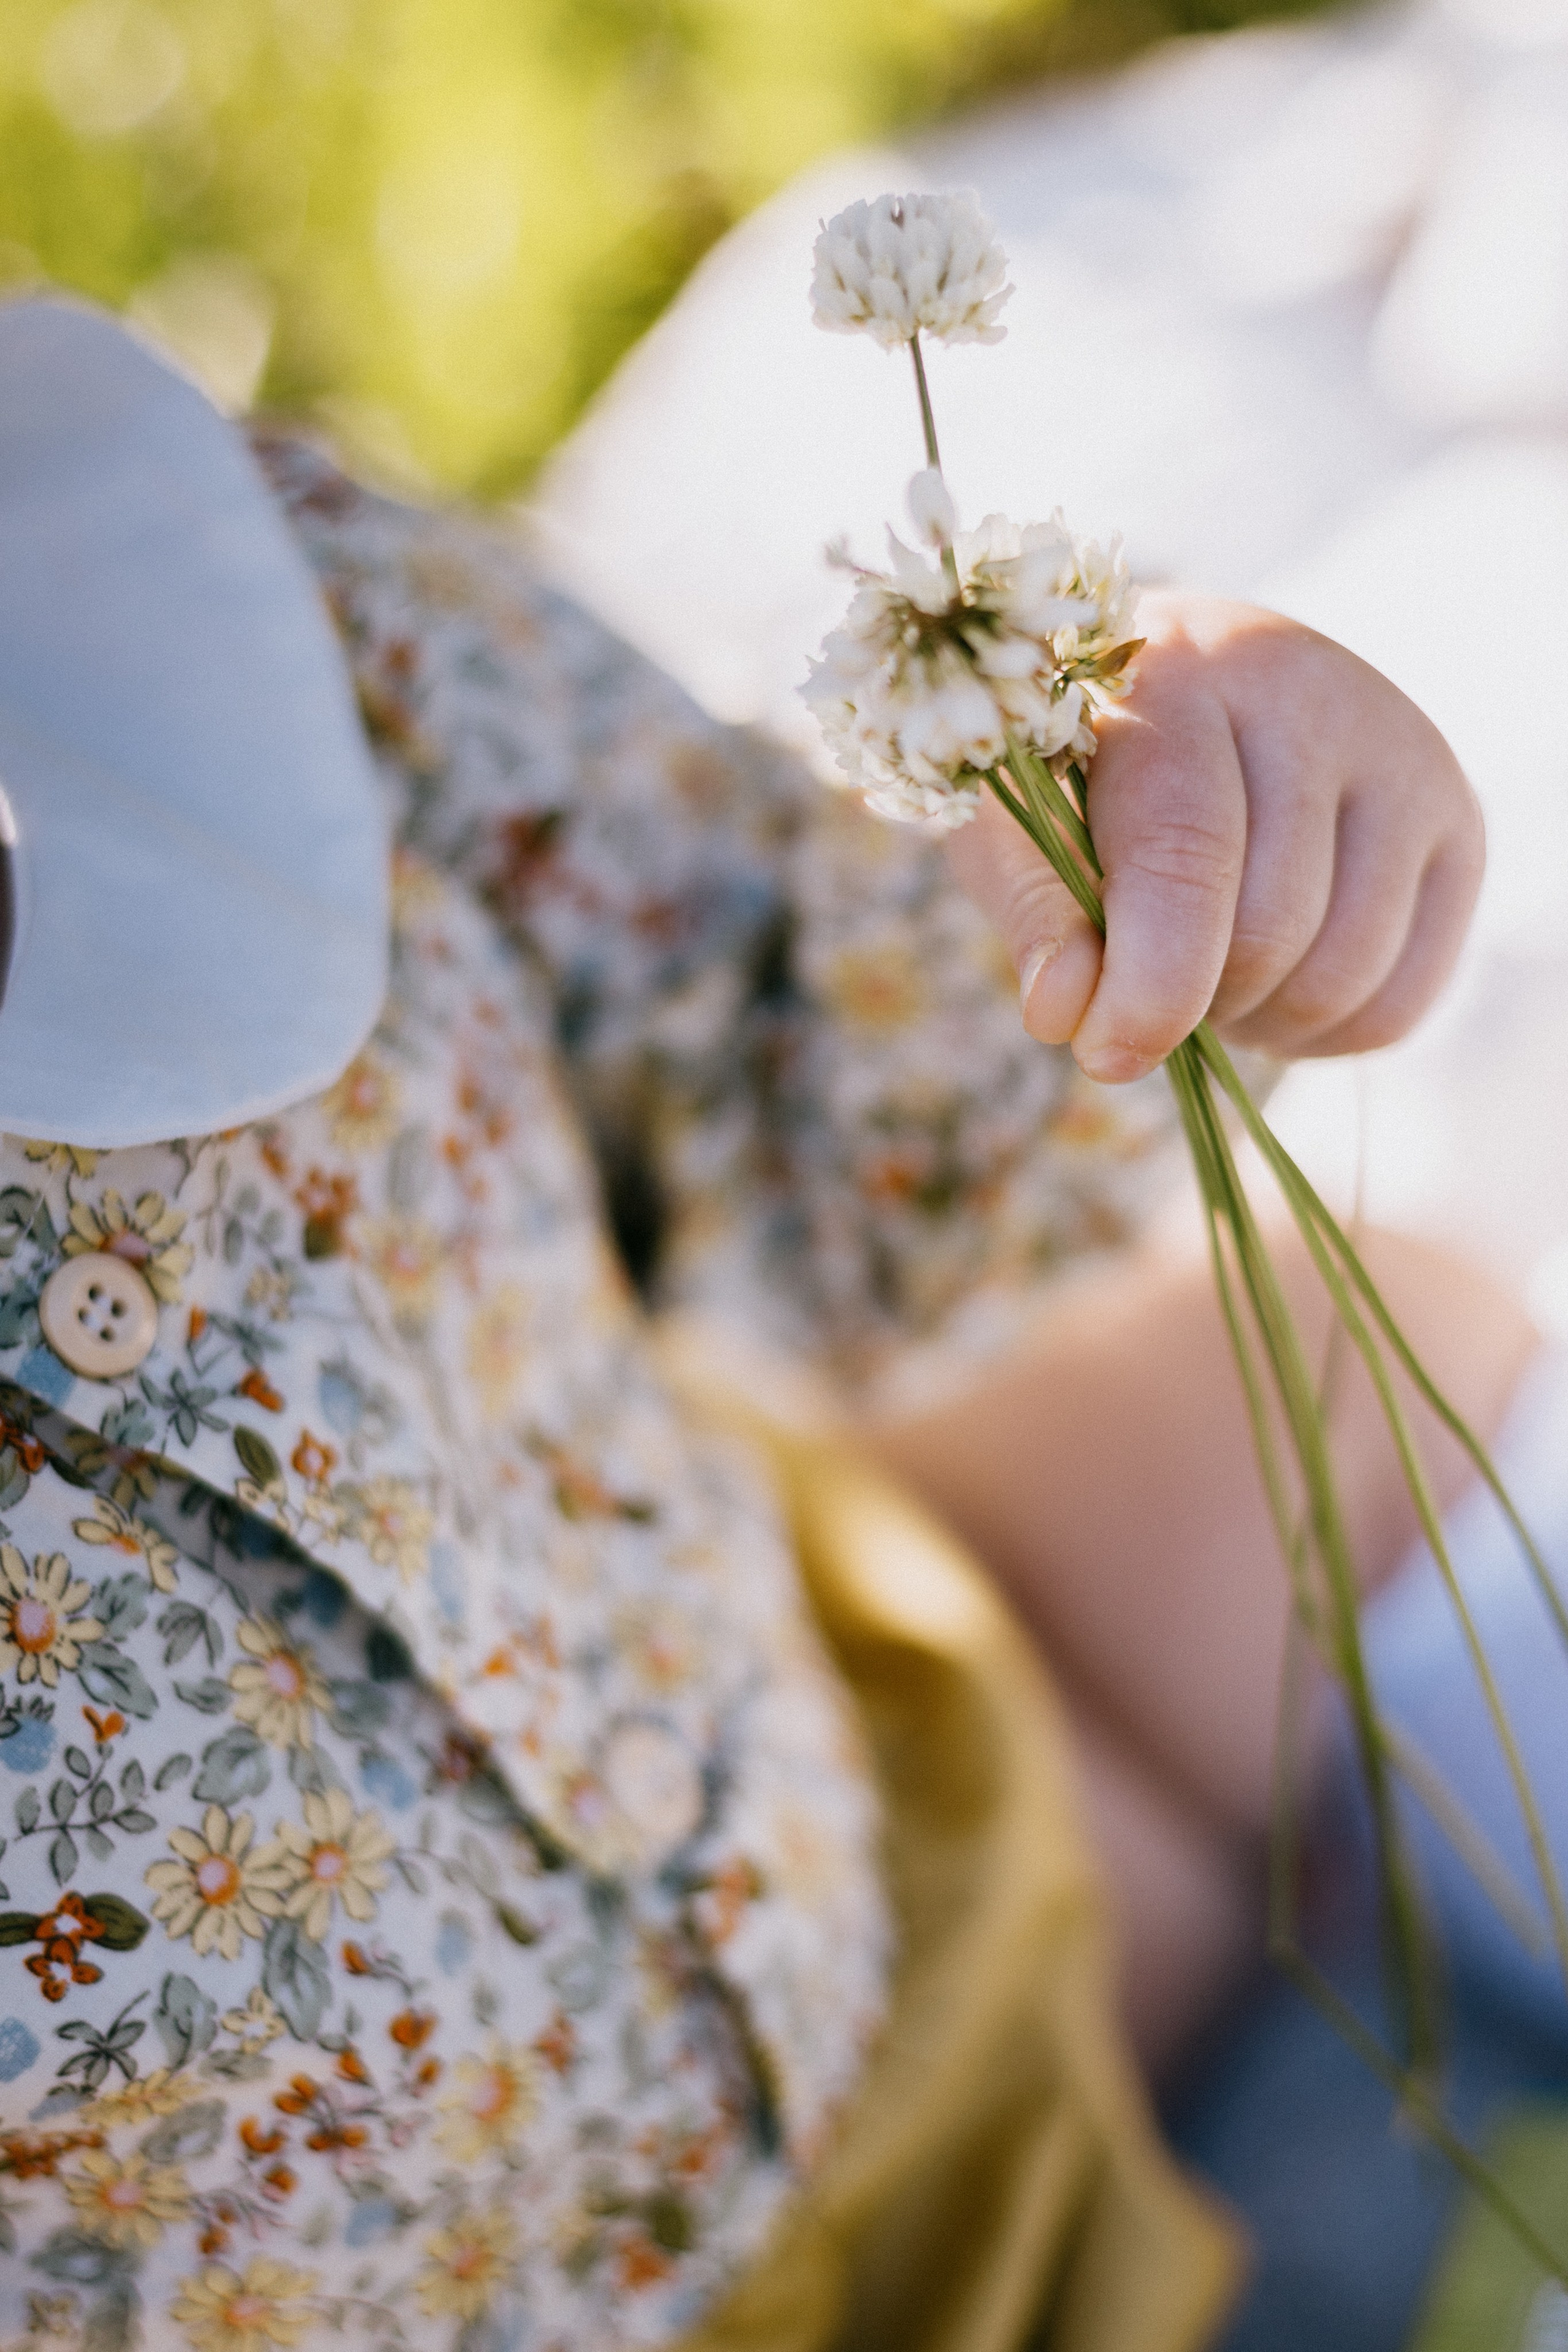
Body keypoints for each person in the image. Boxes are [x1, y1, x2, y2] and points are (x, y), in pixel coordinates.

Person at [0, 294, 1534, 2352]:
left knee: (1364, 1362)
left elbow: (783, 1017)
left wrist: (1104, 821)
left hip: (880, 1826)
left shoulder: (133, 598)